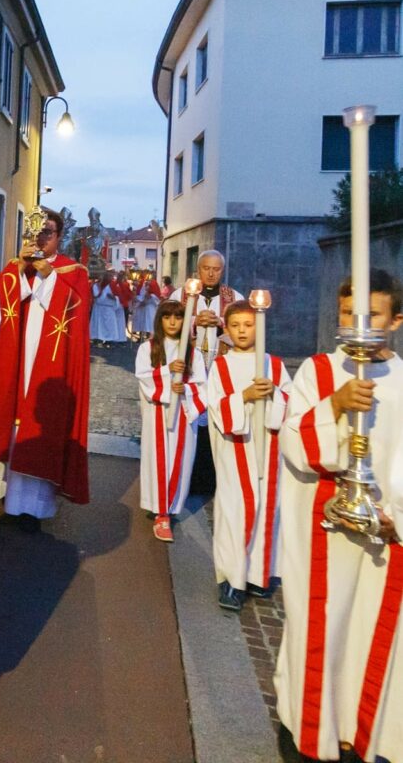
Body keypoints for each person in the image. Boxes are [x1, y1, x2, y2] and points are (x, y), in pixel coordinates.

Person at [274, 270, 403, 763]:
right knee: (320, 629)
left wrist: (397, 516)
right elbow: (293, 442)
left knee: (372, 635)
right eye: (349, 315)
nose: (358, 324)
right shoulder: (319, 372)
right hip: (323, 534)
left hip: (384, 545)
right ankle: (313, 731)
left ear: (395, 320)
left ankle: (360, 732)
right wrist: (335, 405)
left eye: (371, 316)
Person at [0, 207, 90, 527]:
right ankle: (7, 496)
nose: (41, 238)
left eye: (48, 232)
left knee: (41, 423)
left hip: (49, 362)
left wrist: (47, 275)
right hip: (16, 358)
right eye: (36, 232)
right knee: (12, 420)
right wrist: (19, 271)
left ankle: (34, 509)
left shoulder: (73, 272)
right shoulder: (15, 268)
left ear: (59, 237)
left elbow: (77, 308)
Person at [206, 301, 292, 611]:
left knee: (268, 508)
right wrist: (243, 396)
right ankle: (231, 579)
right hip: (236, 448)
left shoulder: (276, 365)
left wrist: (275, 395)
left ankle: (259, 574)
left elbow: (290, 404)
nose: (243, 331)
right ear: (226, 330)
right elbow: (214, 405)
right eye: (236, 326)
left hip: (268, 449)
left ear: (260, 327)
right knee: (236, 512)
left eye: (249, 324)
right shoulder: (220, 366)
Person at [134, 299, 207, 542]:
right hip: (157, 413)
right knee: (157, 461)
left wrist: (184, 390)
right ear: (160, 320)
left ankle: (170, 507)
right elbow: (144, 377)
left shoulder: (193, 353)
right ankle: (160, 512)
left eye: (178, 317)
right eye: (167, 317)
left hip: (184, 416)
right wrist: (167, 371)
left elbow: (202, 386)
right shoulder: (149, 348)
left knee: (179, 460)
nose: (173, 322)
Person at [172, 251, 242, 371]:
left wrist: (221, 325)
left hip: (223, 366)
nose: (211, 274)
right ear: (198, 269)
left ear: (223, 271)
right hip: (186, 364)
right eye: (206, 268)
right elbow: (168, 328)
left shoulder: (236, 299)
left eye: (216, 269)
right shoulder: (179, 296)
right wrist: (194, 323)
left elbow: (244, 333)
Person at [90, 272, 119, 346]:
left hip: (109, 308)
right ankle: (98, 339)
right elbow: (96, 295)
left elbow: (118, 296)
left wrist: (113, 297)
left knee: (109, 325)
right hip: (99, 308)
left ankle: (109, 341)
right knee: (98, 325)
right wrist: (99, 287)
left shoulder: (112, 286)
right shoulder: (96, 285)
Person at [132, 271, 160, 340]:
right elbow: (141, 294)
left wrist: (149, 296)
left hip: (150, 308)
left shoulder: (154, 283)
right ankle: (141, 337)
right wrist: (139, 300)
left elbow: (155, 296)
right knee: (142, 322)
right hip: (143, 308)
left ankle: (150, 337)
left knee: (150, 323)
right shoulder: (144, 283)